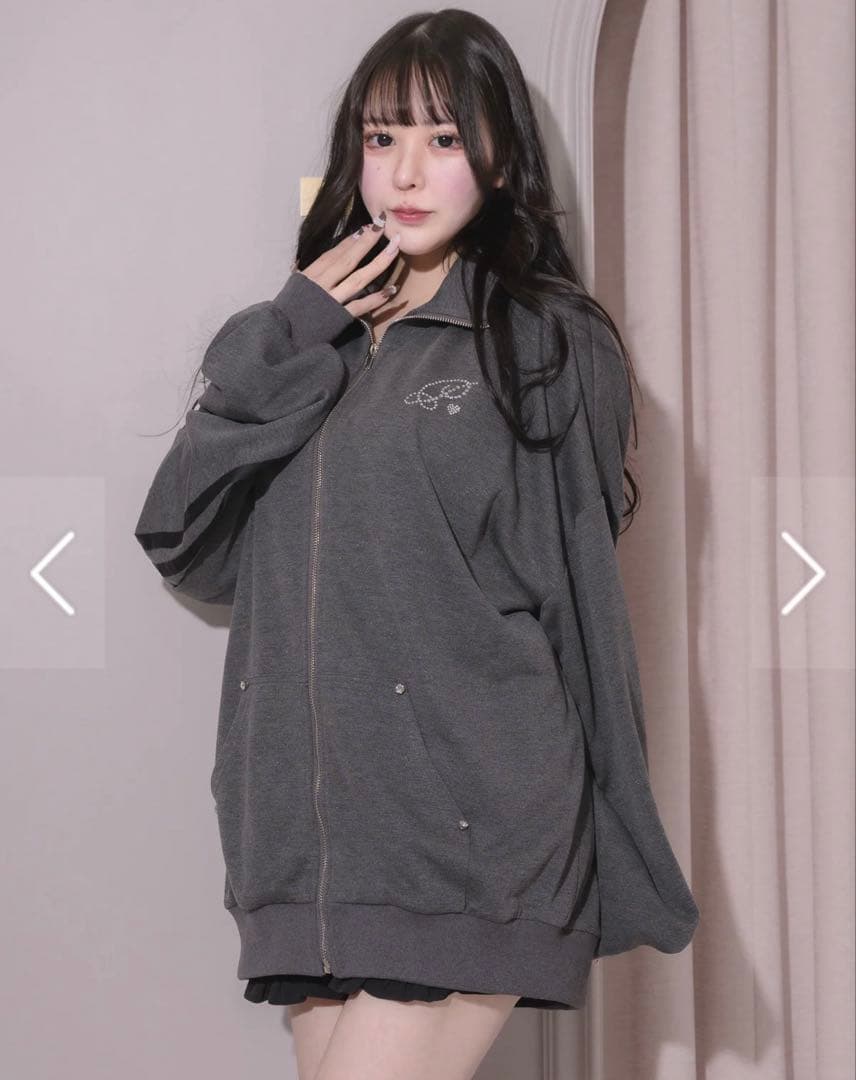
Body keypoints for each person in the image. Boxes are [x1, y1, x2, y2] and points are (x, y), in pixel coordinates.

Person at [134, 10, 699, 1080]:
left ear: (500, 157)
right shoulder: (313, 340)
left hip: (471, 833)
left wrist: (616, 841)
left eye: (444, 138)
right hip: (305, 846)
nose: (405, 170)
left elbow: (581, 599)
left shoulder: (540, 338)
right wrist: (290, 332)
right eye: (381, 136)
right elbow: (187, 539)